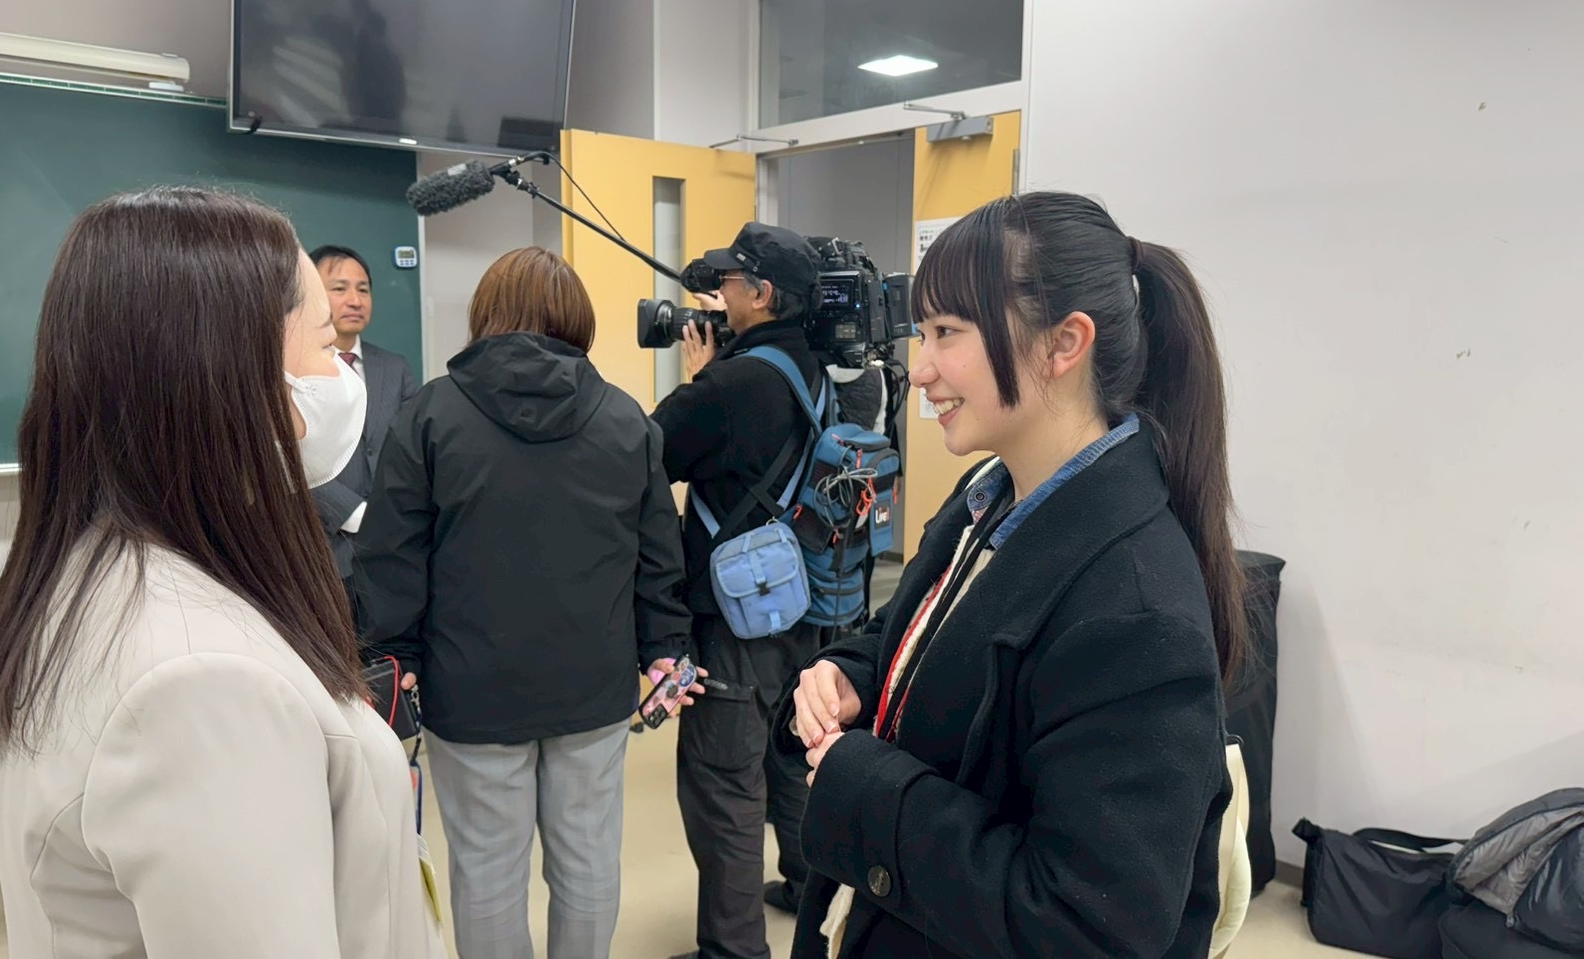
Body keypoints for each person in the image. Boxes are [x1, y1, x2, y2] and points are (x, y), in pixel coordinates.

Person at [0, 187, 447, 957]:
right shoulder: (203, 683)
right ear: (233, 376)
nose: (341, 377)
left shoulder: (112, 570)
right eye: (324, 344)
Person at [779, 192, 1246, 959]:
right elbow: (934, 629)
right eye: (921, 333)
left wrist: (866, 788)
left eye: (947, 333)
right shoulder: (988, 498)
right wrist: (852, 672)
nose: (919, 369)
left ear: (1064, 344)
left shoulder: (1135, 613)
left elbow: (1087, 926)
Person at [354, 246, 700, 959]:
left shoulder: (429, 416)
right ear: (578, 320)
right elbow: (657, 556)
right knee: (589, 862)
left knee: (485, 872)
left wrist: (393, 654)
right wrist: (665, 649)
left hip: (471, 691)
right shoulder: (627, 420)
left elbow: (392, 556)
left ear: (486, 314)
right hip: (593, 687)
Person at [653, 222, 826, 959]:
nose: (718, 295)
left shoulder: (731, 385)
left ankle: (733, 950)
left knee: (723, 784)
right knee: (788, 758)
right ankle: (809, 888)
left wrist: (700, 378)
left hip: (734, 622)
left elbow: (650, 454)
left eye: (728, 282)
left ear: (761, 293)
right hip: (804, 604)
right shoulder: (813, 368)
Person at [307, 243, 418, 598]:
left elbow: (413, 451)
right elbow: (293, 457)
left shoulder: (395, 368)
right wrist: (357, 515)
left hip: (393, 550)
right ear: (310, 293)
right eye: (339, 289)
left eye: (363, 289)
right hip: (320, 552)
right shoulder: (293, 369)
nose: (355, 300)